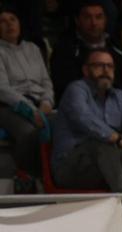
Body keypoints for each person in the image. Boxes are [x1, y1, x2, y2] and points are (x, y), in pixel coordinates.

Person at [51, 47, 122, 193]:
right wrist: (120, 140)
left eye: (109, 66)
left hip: (107, 166)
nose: (105, 70)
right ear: (85, 70)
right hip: (72, 167)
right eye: (99, 65)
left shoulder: (119, 96)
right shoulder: (76, 89)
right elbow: (85, 120)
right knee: (104, 142)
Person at [50, 0, 122, 104]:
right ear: (77, 20)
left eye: (99, 17)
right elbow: (64, 90)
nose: (94, 23)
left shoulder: (115, 46)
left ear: (105, 20)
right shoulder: (65, 48)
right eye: (88, 17)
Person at [0, 6, 53, 174]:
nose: (9, 25)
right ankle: (27, 175)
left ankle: (56, 177)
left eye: (13, 20)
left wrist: (47, 102)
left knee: (63, 126)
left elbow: (46, 82)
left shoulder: (33, 48)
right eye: (3, 21)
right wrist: (30, 110)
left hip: (40, 105)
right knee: (29, 133)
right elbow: (2, 89)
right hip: (10, 106)